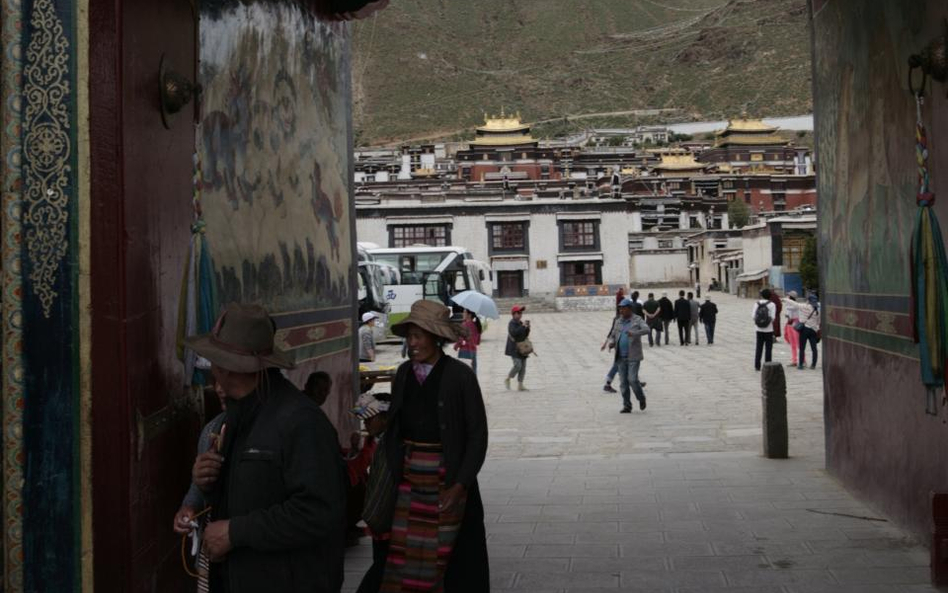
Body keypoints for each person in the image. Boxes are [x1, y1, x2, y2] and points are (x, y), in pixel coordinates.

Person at [184, 303, 347, 593]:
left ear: (226, 367)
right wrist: (207, 482)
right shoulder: (237, 416)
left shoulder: (300, 421)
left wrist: (236, 532)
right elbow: (254, 492)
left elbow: (319, 511)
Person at [364, 299, 489, 592]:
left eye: (418, 336)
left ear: (436, 338)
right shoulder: (404, 373)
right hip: (409, 478)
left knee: (452, 554)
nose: (412, 343)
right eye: (409, 336)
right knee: (406, 549)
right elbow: (398, 422)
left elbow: (477, 435)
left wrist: (460, 485)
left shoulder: (460, 377)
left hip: (447, 478)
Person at [173, 383, 226, 536]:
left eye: (229, 374)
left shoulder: (270, 432)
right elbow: (200, 486)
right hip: (211, 546)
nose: (219, 389)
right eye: (216, 379)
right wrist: (189, 506)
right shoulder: (212, 430)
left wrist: (234, 532)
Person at [606, 298, 651, 413]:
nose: (621, 311)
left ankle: (641, 398)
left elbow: (647, 329)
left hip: (633, 356)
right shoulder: (618, 321)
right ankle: (627, 405)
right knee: (623, 383)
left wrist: (634, 333)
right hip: (620, 356)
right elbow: (612, 334)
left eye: (623, 308)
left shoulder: (637, 320)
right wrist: (612, 342)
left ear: (630, 309)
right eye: (620, 308)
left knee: (633, 379)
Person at [505, 305, 531, 391]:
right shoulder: (511, 323)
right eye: (518, 313)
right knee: (518, 365)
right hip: (514, 348)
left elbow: (525, 335)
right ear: (513, 314)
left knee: (523, 367)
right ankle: (508, 378)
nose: (520, 314)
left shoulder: (520, 323)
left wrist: (527, 328)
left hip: (522, 348)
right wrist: (522, 326)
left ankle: (520, 384)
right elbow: (514, 333)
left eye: (521, 313)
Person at [752, 288, 778, 370]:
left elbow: (753, 316)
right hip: (769, 329)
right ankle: (767, 365)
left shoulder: (757, 303)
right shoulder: (772, 304)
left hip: (758, 329)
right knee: (768, 348)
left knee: (759, 347)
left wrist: (759, 322)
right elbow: (773, 318)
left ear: (761, 295)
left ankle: (757, 365)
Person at [796, 293, 821, 369]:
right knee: (814, 348)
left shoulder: (805, 307)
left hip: (804, 330)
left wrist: (786, 299)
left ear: (809, 301)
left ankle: (800, 364)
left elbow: (795, 304)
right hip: (813, 330)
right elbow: (818, 322)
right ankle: (813, 365)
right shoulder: (817, 310)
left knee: (802, 348)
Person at [453, 309, 482, 374]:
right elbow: (478, 342)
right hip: (473, 351)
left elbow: (460, 339)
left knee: (463, 373)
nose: (463, 314)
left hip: (464, 351)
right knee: (473, 373)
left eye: (464, 312)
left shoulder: (464, 325)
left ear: (469, 315)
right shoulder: (476, 325)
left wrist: (456, 346)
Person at [782, 290, 801, 366]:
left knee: (798, 343)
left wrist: (786, 300)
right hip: (789, 324)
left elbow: (791, 308)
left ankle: (802, 359)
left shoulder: (795, 305)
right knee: (792, 343)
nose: (787, 296)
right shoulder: (788, 305)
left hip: (795, 324)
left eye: (788, 295)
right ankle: (794, 360)